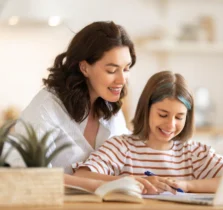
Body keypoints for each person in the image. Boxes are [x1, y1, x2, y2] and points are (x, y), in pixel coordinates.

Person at [8, 21, 135, 174]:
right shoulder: (47, 108)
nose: (122, 80)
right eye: (111, 70)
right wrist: (96, 182)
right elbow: (30, 175)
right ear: (84, 67)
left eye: (126, 68)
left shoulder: (111, 110)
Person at [72, 71, 223, 194]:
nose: (170, 124)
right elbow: (81, 176)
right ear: (146, 110)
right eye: (163, 115)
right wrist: (129, 181)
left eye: (179, 117)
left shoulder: (195, 154)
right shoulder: (122, 147)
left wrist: (188, 185)